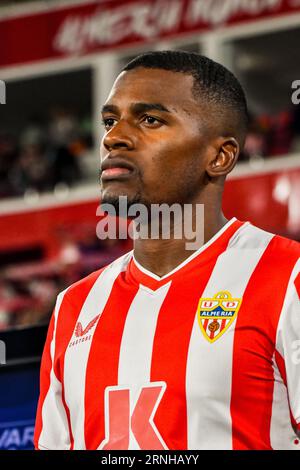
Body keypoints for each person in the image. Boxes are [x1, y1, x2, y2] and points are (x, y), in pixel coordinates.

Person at [34, 51, 300, 450]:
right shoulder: (74, 307)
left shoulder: (288, 279)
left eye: (149, 119)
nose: (113, 138)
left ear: (219, 156)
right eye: (110, 121)